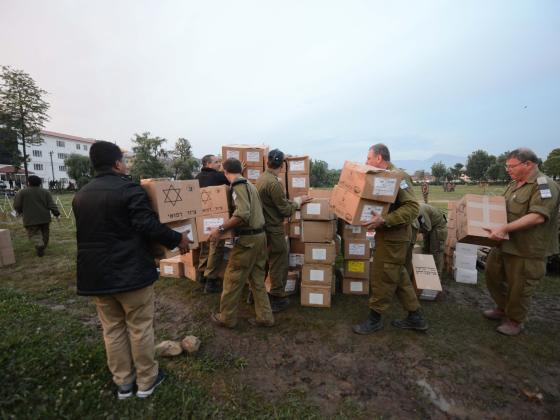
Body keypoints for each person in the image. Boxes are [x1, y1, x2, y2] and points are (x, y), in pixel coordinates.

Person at [72, 141, 191, 399]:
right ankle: (147, 381)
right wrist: (177, 238)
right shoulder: (129, 189)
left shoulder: (81, 194)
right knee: (139, 327)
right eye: (124, 160)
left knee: (112, 329)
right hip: (131, 273)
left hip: (96, 275)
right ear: (117, 163)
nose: (126, 164)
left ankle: (124, 383)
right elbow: (146, 224)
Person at [482, 148, 560, 336]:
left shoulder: (544, 185)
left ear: (528, 164)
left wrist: (504, 229)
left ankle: (515, 320)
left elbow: (537, 217)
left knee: (520, 287)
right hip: (505, 243)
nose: (508, 169)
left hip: (527, 249)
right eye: (507, 166)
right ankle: (503, 308)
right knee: (492, 274)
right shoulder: (514, 183)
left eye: (511, 166)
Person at [353, 144, 427, 334]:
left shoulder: (398, 177)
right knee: (398, 274)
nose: (366, 162)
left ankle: (375, 319)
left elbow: (412, 208)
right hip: (388, 235)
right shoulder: (382, 177)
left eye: (368, 158)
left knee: (382, 276)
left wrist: (384, 220)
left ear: (379, 158)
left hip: (395, 237)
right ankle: (415, 317)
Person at [208, 157, 274, 328]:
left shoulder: (238, 186)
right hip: (260, 237)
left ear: (225, 171)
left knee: (233, 278)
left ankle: (226, 318)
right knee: (257, 279)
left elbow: (242, 213)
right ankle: (265, 317)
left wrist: (220, 229)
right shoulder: (250, 185)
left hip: (248, 241)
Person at [256, 149, 312, 312]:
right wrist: (298, 202)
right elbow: (285, 211)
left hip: (263, 227)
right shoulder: (274, 182)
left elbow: (276, 202)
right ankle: (277, 298)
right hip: (273, 229)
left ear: (267, 162)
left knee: (265, 263)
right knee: (279, 263)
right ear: (282, 166)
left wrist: (289, 201)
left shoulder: (261, 179)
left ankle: (257, 294)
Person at [195, 154, 230, 293]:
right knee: (216, 248)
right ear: (208, 164)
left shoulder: (197, 177)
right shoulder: (218, 176)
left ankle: (202, 276)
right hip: (216, 219)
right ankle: (210, 281)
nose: (219, 164)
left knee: (205, 247)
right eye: (216, 162)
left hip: (202, 220)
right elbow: (232, 180)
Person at [13, 175, 60, 257]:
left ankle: (39, 245)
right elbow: (51, 205)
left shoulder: (22, 192)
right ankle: (42, 247)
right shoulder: (46, 192)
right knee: (45, 233)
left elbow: (17, 205)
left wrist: (19, 211)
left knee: (34, 234)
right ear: (40, 183)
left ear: (29, 182)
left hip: (30, 218)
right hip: (45, 218)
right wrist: (57, 214)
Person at [409, 203, 448, 277]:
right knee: (426, 249)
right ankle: (427, 273)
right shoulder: (411, 211)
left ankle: (436, 277)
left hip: (438, 227)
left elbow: (427, 227)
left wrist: (415, 232)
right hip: (430, 227)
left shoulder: (420, 212)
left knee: (436, 251)